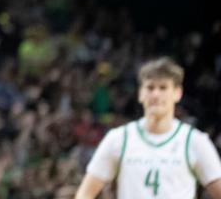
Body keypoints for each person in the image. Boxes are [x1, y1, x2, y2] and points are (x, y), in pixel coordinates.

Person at [75, 57, 221, 199]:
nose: (156, 94)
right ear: (140, 93)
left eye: (163, 88)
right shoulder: (119, 138)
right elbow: (84, 193)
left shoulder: (195, 141)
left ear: (177, 93)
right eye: (150, 87)